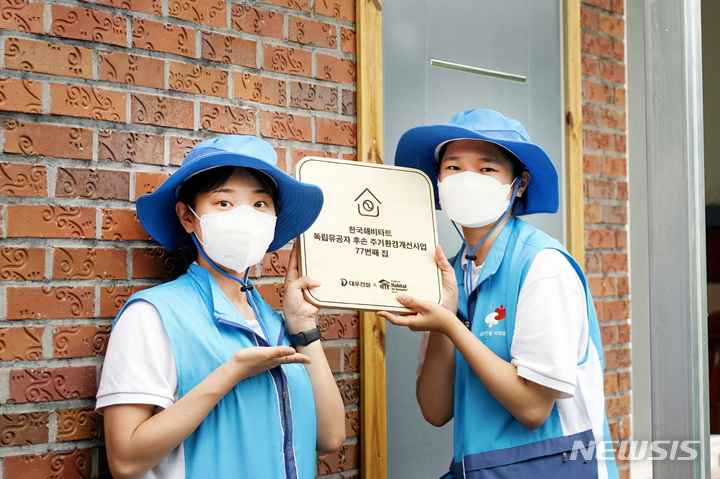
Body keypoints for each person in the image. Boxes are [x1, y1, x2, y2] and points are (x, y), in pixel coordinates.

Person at [377, 109, 619, 478]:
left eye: (487, 169)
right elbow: (435, 410)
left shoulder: (542, 266)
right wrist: (444, 323)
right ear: (438, 182)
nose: (466, 179)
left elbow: (533, 408)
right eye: (453, 168)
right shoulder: (450, 273)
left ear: (518, 185)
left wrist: (453, 327)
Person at [96, 135, 346, 479]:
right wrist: (231, 373)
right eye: (224, 203)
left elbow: (330, 436)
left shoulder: (275, 323)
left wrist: (302, 326)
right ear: (187, 216)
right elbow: (125, 461)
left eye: (260, 205)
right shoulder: (153, 314)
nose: (246, 217)